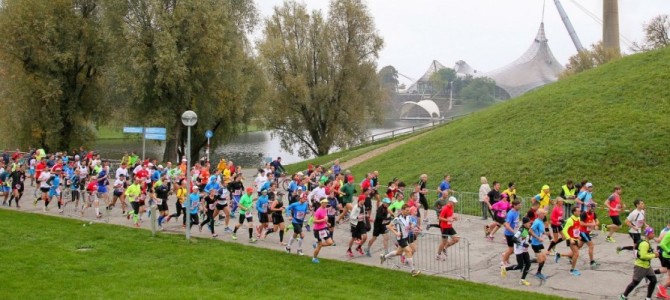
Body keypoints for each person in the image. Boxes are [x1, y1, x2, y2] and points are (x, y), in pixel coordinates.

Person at [380, 204, 421, 277]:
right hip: (401, 238)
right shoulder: (397, 218)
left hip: (406, 237)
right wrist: (396, 232)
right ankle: (413, 271)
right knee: (409, 251)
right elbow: (389, 226)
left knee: (398, 252)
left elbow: (409, 223)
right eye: (407, 210)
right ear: (402, 210)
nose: (408, 211)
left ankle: (384, 257)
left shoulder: (408, 217)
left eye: (409, 210)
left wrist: (412, 226)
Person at [619, 227, 658, 300]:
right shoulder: (644, 244)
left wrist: (653, 254)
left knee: (653, 280)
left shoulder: (645, 242)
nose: (654, 234)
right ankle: (623, 296)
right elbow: (643, 256)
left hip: (647, 266)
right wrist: (654, 255)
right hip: (640, 266)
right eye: (652, 233)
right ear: (648, 234)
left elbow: (644, 253)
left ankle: (648, 298)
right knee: (635, 282)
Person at [500, 217, 533, 286]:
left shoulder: (527, 229)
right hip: (519, 249)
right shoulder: (521, 230)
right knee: (520, 266)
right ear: (524, 223)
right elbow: (514, 239)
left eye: (530, 223)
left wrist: (529, 241)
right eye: (528, 223)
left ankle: (522, 280)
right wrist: (521, 244)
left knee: (528, 264)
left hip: (524, 249)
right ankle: (505, 268)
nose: (530, 224)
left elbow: (527, 237)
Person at [556, 206, 582, 276]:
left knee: (573, 254)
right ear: (574, 212)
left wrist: (578, 235)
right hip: (571, 240)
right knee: (576, 254)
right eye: (578, 211)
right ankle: (572, 270)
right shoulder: (570, 220)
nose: (580, 212)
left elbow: (576, 228)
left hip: (576, 239)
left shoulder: (578, 218)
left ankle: (559, 255)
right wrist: (570, 239)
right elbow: (564, 230)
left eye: (580, 211)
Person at [436, 196, 460, 261]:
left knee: (456, 239)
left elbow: (450, 215)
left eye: (455, 202)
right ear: (450, 202)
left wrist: (454, 217)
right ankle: (438, 254)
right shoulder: (445, 208)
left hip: (450, 226)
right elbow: (440, 218)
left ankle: (445, 248)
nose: (455, 204)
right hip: (444, 227)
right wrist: (447, 220)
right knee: (443, 242)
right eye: (454, 202)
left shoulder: (452, 207)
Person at [311, 198, 334, 263]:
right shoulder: (318, 211)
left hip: (323, 229)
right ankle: (314, 258)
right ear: (321, 203)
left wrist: (327, 223)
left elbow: (324, 218)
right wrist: (323, 220)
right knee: (319, 246)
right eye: (325, 203)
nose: (326, 204)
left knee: (330, 242)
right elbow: (314, 221)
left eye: (327, 203)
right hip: (317, 230)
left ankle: (317, 244)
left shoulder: (325, 209)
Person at [578, 203, 600, 269]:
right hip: (583, 232)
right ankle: (592, 262)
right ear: (589, 208)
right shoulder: (584, 214)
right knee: (591, 246)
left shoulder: (593, 213)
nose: (593, 210)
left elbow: (597, 221)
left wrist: (595, 225)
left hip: (587, 232)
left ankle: (570, 256)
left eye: (594, 208)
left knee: (579, 246)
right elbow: (581, 223)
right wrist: (590, 224)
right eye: (592, 208)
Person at [529, 209, 548, 280]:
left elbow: (540, 231)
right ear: (539, 214)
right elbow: (530, 231)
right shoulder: (536, 222)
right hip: (535, 243)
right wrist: (538, 238)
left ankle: (528, 261)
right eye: (543, 214)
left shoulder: (541, 221)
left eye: (544, 214)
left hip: (540, 243)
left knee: (544, 258)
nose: (544, 215)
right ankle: (538, 273)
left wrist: (546, 233)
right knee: (541, 259)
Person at [501, 200, 522, 267]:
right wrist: (513, 231)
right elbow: (507, 225)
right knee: (511, 249)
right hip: (510, 234)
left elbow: (516, 222)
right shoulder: (511, 213)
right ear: (515, 205)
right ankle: (503, 262)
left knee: (514, 249)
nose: (520, 206)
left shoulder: (517, 211)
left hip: (515, 233)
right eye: (519, 205)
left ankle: (505, 255)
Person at [657, 221, 670, 299]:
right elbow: (662, 244)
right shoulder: (669, 233)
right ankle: (662, 288)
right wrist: (669, 251)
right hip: (668, 257)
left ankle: (660, 292)